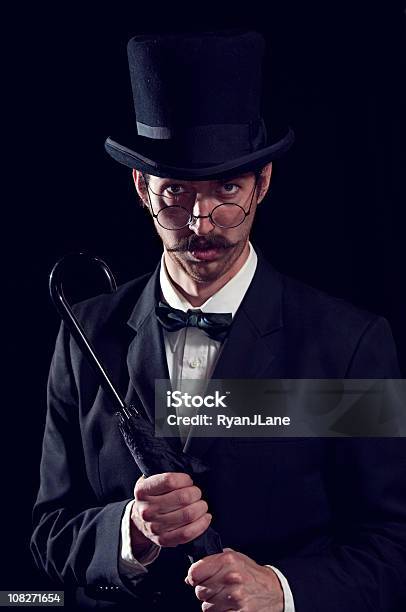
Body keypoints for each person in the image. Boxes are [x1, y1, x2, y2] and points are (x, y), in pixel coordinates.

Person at [31, 31, 406, 611]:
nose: (202, 222)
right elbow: (49, 531)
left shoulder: (349, 344)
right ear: (142, 187)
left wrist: (281, 592)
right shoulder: (85, 334)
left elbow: (392, 547)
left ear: (263, 183)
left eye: (227, 188)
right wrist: (130, 533)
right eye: (176, 192)